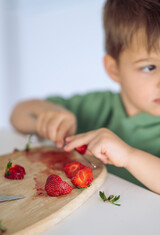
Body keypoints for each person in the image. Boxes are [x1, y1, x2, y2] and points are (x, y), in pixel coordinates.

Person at [10, 0, 160, 194]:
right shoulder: (96, 107)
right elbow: (19, 115)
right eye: (149, 67)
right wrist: (51, 114)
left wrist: (129, 156)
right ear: (114, 70)